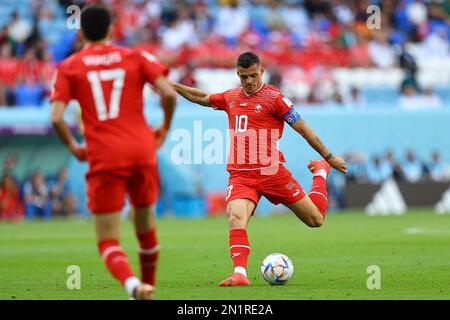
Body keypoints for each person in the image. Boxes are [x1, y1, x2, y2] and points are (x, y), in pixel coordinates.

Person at [171, 51, 347, 286]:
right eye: (244, 76)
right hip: (241, 176)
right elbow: (198, 96)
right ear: (238, 74)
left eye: (253, 75)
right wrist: (167, 83)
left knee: (315, 219)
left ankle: (320, 172)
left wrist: (328, 156)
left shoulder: (275, 99)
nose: (249, 81)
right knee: (235, 217)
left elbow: (303, 129)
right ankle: (240, 274)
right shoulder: (230, 97)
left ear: (261, 71)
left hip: (271, 173)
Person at [50, 5, 177, 300]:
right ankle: (149, 286)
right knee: (145, 225)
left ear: (80, 34)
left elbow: (56, 117)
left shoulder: (70, 66)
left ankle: (134, 287)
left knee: (107, 240)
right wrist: (164, 130)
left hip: (104, 154)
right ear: (112, 30)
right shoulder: (135, 56)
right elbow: (169, 93)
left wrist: (74, 147)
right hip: (142, 149)